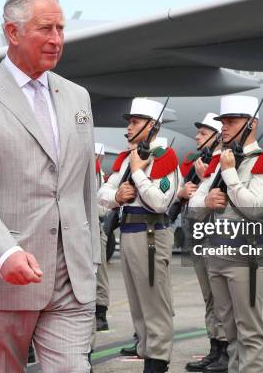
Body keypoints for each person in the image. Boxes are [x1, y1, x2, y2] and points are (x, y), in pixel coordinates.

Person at [0, 0, 100, 373]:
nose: (56, 39)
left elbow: (85, 188)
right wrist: (5, 253)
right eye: (45, 29)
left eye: (61, 29)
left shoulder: (78, 97)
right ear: (12, 33)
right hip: (4, 278)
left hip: (71, 279)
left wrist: (92, 259)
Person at [191, 95, 263, 373]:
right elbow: (194, 205)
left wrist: (230, 175)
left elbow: (255, 208)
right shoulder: (221, 160)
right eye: (223, 122)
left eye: (232, 121)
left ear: (252, 124)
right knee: (228, 327)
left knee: (249, 329)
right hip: (216, 251)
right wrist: (205, 203)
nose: (225, 127)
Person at [98, 97, 180, 373]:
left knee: (154, 302)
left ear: (152, 126)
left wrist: (138, 174)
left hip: (150, 234)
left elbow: (160, 201)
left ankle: (158, 360)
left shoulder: (164, 158)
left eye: (135, 122)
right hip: (131, 232)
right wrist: (117, 196)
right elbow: (102, 193)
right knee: (138, 304)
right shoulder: (128, 158)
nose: (129, 128)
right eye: (130, 122)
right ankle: (147, 352)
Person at [178, 112, 227, 372]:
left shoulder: (224, 164)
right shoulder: (202, 164)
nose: (197, 136)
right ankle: (215, 348)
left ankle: (225, 350)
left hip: (215, 237)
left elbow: (208, 203)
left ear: (218, 136)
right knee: (209, 297)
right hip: (198, 235)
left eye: (204, 133)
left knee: (220, 298)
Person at [94, 142, 111, 332]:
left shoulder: (98, 173)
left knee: (100, 274)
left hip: (95, 226)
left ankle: (101, 313)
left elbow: (102, 208)